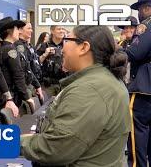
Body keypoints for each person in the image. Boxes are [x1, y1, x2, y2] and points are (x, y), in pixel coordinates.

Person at [20, 25, 130, 166]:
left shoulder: (89, 90)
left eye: (67, 40)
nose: (62, 48)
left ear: (83, 47)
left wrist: (11, 142)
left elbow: (55, 149)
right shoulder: (102, 80)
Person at [125, 0, 151, 167]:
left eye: (140, 9)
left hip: (144, 86)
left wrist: (121, 50)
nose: (139, 14)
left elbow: (135, 52)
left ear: (146, 8)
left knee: (137, 134)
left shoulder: (146, 25)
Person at [0, 17, 35, 113]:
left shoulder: (5, 47)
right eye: (17, 29)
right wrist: (27, 97)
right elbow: (17, 74)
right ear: (9, 31)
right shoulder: (10, 49)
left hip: (6, 94)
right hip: (10, 95)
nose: (19, 32)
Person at [14, 21, 44, 104]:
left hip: (33, 83)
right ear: (20, 30)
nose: (31, 30)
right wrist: (37, 85)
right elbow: (27, 69)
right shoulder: (19, 46)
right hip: (26, 86)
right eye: (29, 28)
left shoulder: (29, 45)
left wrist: (37, 85)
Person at [36, 25, 66, 97]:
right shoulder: (44, 45)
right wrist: (45, 54)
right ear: (52, 31)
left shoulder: (68, 45)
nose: (61, 31)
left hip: (64, 83)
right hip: (48, 85)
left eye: (63, 29)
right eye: (59, 29)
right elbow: (36, 63)